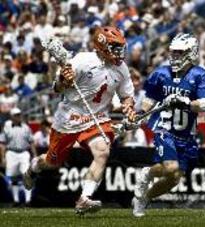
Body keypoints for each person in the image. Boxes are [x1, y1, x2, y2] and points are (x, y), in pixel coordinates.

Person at [23, 26, 136, 215]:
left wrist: (128, 106)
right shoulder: (83, 61)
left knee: (102, 152)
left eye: (120, 47)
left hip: (97, 118)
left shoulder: (121, 68)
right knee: (52, 162)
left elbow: (127, 95)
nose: (119, 52)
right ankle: (33, 168)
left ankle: (84, 199)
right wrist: (63, 81)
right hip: (70, 118)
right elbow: (57, 88)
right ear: (101, 45)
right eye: (115, 47)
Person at [132, 33, 205, 217]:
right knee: (170, 167)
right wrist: (138, 115)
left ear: (191, 53)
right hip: (164, 128)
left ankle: (144, 198)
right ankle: (147, 174)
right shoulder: (160, 73)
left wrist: (185, 103)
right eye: (173, 52)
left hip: (186, 135)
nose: (175, 56)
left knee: (174, 179)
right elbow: (149, 100)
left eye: (180, 53)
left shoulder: (200, 75)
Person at [0, 107, 36, 206]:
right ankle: (16, 200)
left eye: (19, 114)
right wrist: (3, 158)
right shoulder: (6, 127)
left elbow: (31, 142)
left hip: (24, 153)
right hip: (11, 153)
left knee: (27, 176)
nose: (19, 116)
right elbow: (2, 144)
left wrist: (35, 155)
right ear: (11, 116)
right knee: (14, 178)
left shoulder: (26, 127)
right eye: (16, 115)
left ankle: (28, 201)